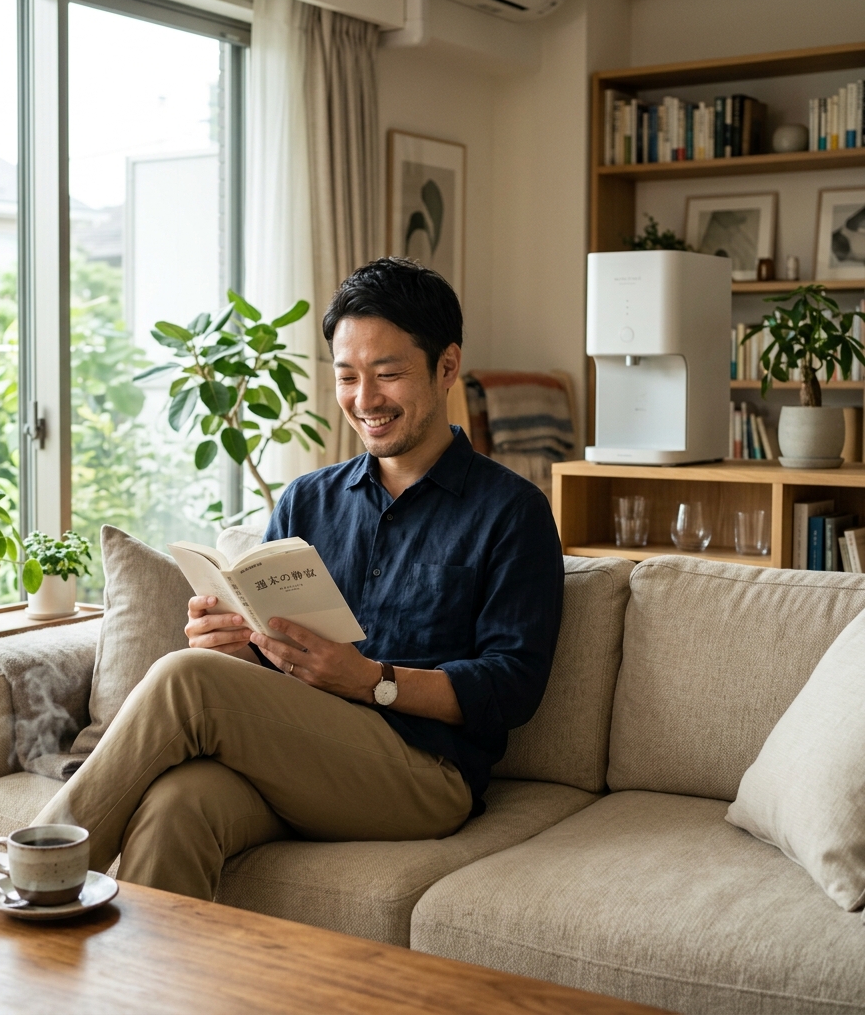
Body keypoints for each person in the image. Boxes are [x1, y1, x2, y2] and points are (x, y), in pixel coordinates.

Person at [34, 258, 564, 898]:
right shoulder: (307, 500)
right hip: (301, 749)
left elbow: (512, 686)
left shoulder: (512, 511)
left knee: (186, 678)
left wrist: (371, 680)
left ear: (446, 366)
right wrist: (238, 644)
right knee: (176, 806)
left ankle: (33, 873)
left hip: (425, 773)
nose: (364, 400)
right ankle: (110, 962)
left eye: (388, 374)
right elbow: (276, 655)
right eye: (347, 377)